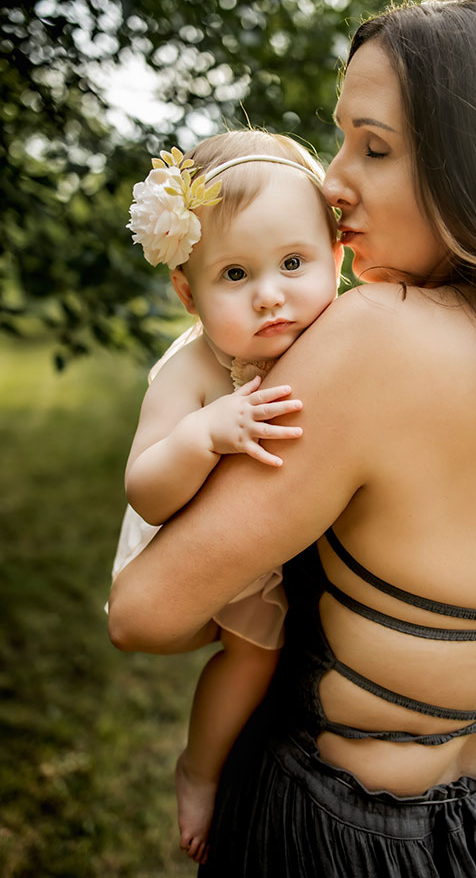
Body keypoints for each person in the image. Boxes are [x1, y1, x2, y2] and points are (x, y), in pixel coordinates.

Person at [108, 0, 476, 877]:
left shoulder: (375, 335)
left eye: (374, 146)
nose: (333, 181)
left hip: (355, 832)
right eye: (340, 141)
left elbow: (145, 614)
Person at [111, 129, 340, 864]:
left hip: (287, 526)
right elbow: (145, 489)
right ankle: (198, 772)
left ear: (338, 256)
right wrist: (203, 435)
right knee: (250, 656)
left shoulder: (334, 329)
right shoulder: (197, 368)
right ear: (188, 290)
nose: (271, 294)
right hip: (196, 538)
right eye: (235, 274)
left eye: (294, 263)